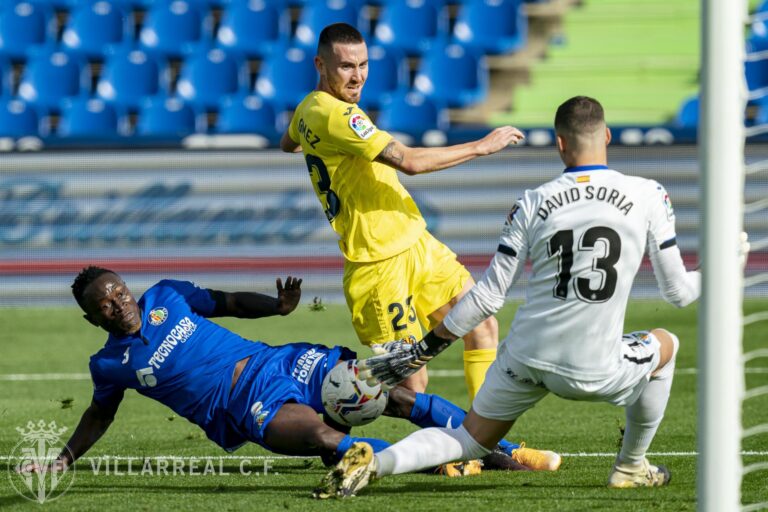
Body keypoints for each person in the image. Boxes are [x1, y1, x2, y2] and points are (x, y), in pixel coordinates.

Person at [315, 95, 747, 498]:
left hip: (525, 358)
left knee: (468, 439)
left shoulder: (531, 201)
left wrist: (425, 348)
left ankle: (378, 464)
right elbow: (678, 291)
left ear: (560, 144)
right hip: (594, 366)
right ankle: (631, 465)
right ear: (608, 137)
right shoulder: (649, 194)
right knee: (666, 345)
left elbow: (487, 297)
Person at [19, 266, 558, 477]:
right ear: (94, 319)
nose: (118, 302)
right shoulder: (110, 364)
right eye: (105, 304)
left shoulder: (166, 296)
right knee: (329, 439)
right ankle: (409, 463)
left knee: (389, 393)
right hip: (243, 406)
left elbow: (226, 300)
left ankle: (503, 452)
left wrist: (275, 309)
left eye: (117, 290)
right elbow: (97, 415)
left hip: (277, 361)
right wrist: (63, 458)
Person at [280, 22, 526, 400]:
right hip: (377, 264)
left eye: (363, 64)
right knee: (413, 382)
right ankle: (328, 404)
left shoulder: (308, 110)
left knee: (482, 326)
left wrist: (322, 148)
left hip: (416, 243)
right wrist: (481, 146)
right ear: (320, 64)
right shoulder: (339, 116)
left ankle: (482, 440)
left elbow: (289, 142)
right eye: (346, 66)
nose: (357, 75)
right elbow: (409, 161)